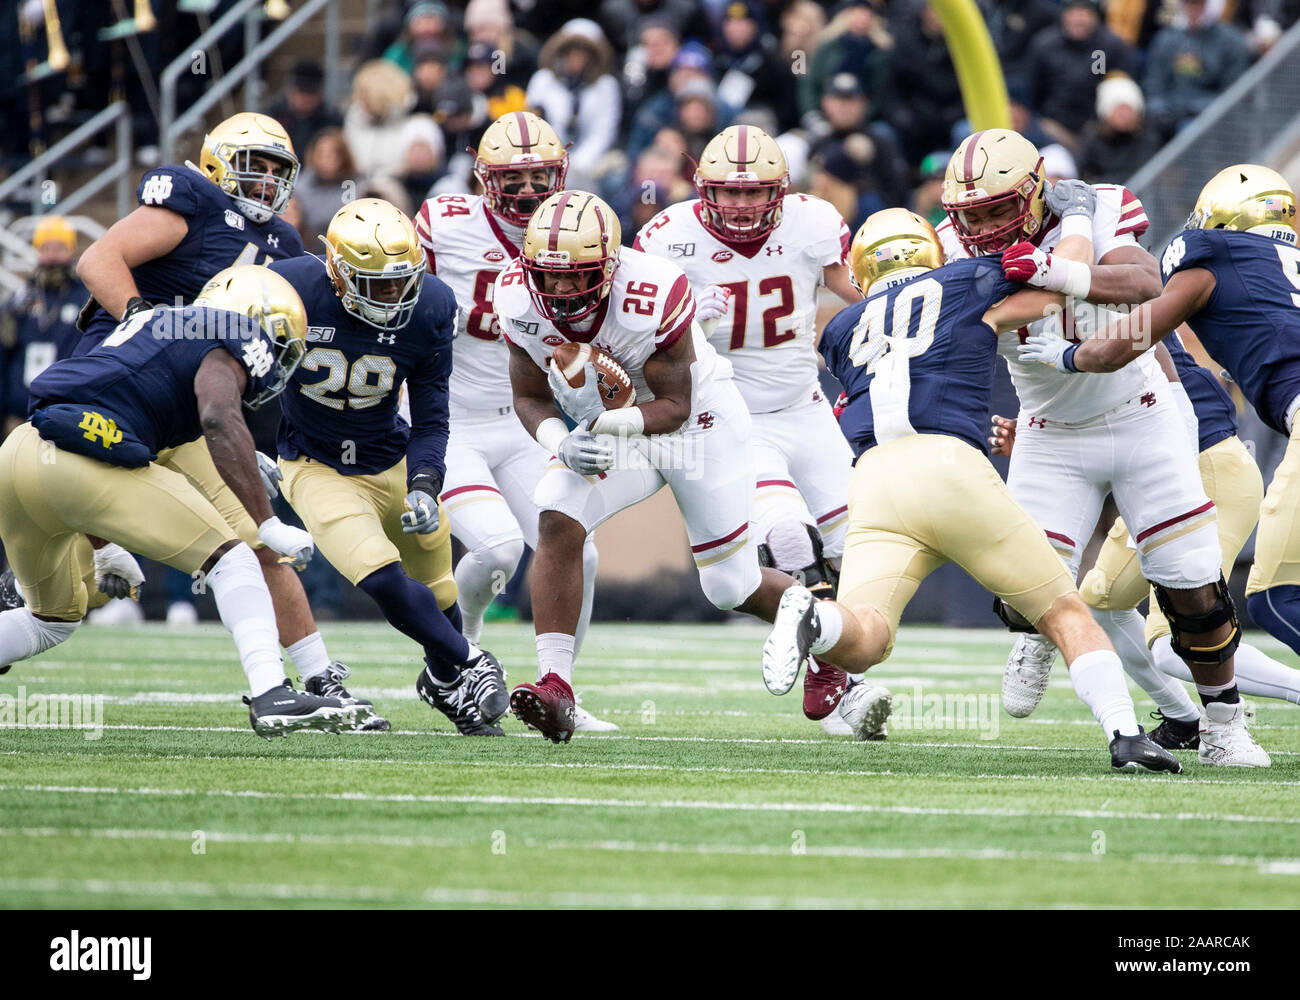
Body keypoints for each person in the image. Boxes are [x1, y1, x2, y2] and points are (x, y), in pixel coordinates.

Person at [761, 207, 1181, 772]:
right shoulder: (966, 277)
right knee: (1062, 611)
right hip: (948, 466)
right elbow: (1059, 285)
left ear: (861, 273)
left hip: (875, 480)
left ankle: (814, 615)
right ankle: (1126, 736)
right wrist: (1078, 219)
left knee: (865, 640)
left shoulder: (840, 328)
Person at [937, 130, 1237, 769]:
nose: (985, 226)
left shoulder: (1098, 205)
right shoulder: (947, 245)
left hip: (1139, 415)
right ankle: (1039, 635)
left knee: (1193, 588)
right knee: (1023, 589)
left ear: (1036, 186)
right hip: (1048, 430)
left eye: (998, 208)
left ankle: (1224, 723)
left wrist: (1053, 267)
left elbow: (1144, 280)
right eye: (973, 214)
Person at [71, 112, 377, 722]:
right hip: (119, 393)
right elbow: (99, 260)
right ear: (216, 164)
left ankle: (318, 678)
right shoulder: (191, 200)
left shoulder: (287, 245)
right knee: (62, 557)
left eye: (275, 171)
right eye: (253, 166)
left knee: (259, 536)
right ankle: (20, 599)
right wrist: (142, 319)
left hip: (196, 414)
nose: (265, 181)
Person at [0, 266, 371, 738]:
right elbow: (216, 415)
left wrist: (104, 548)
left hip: (18, 457)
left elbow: (85, 413)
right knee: (236, 559)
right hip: (78, 462)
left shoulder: (153, 324)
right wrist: (266, 521)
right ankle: (272, 691)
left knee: (49, 621)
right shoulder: (232, 330)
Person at [1019, 163, 1300, 764]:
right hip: (1186, 449)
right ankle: (1181, 718)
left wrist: (1073, 353)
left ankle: (1225, 727)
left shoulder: (1190, 273)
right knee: (1098, 597)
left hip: (1209, 462)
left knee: (1222, 616)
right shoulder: (1271, 275)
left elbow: (1140, 305)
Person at [498, 190, 801, 743]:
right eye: (549, 275)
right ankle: (556, 685)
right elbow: (527, 394)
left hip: (698, 427)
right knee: (556, 512)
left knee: (729, 587)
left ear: (611, 264)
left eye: (578, 276)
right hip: (617, 424)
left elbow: (676, 407)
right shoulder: (516, 295)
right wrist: (556, 441)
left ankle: (814, 617)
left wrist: (605, 423)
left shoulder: (652, 290)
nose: (562, 291)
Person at [634, 125, 881, 737]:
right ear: (703, 189)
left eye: (755, 193)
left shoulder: (813, 222)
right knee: (790, 539)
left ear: (782, 190)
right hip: (729, 413)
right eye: (729, 193)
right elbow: (636, 333)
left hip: (803, 406)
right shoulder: (668, 237)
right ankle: (833, 673)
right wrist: (686, 318)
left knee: (859, 545)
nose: (742, 205)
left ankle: (836, 667)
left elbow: (860, 294)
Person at [268, 198, 509, 737]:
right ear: (337, 271)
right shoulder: (293, 289)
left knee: (439, 590)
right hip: (316, 464)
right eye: (375, 283)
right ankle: (473, 663)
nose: (393, 295)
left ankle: (445, 683)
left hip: (390, 456)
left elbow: (431, 417)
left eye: (402, 281)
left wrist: (425, 483)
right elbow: (225, 356)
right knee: (379, 574)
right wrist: (236, 443)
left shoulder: (430, 307)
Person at [414, 112, 615, 733]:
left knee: (580, 553)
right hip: (451, 419)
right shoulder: (444, 222)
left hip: (527, 419)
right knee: (499, 548)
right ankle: (461, 659)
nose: (528, 193)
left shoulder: (579, 227)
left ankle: (562, 694)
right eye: (513, 179)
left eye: (537, 178)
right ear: (483, 176)